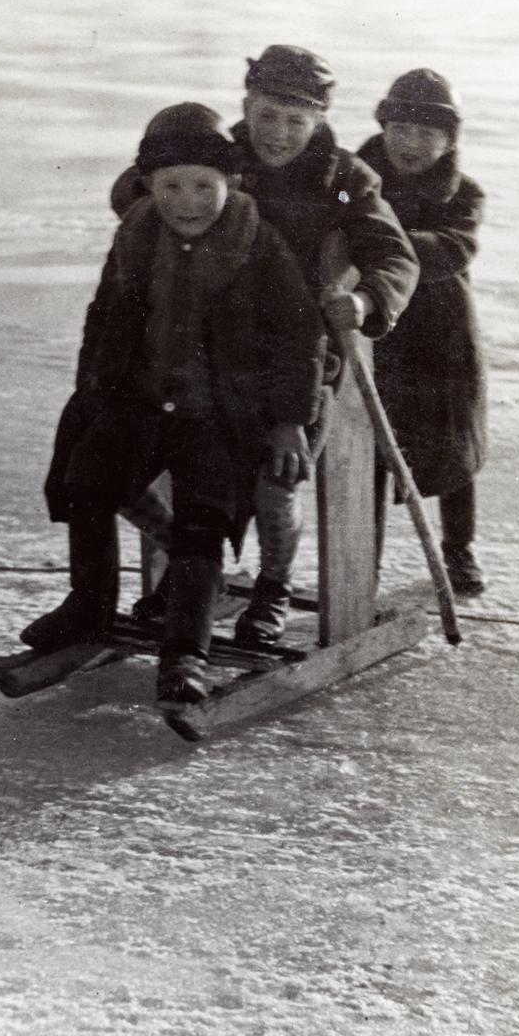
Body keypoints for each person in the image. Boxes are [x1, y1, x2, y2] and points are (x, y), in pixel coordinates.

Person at [112, 46, 420, 645]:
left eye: (296, 121)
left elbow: (394, 255)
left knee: (275, 482)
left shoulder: (345, 179)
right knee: (136, 466)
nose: (278, 134)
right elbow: (134, 191)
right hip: (200, 351)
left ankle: (272, 588)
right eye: (267, 115)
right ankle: (196, 568)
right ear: (246, 105)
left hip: (297, 360)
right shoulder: (218, 155)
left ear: (320, 119)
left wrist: (362, 301)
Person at [25, 103, 326, 705]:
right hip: (141, 404)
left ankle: (186, 652)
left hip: (223, 414)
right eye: (171, 186)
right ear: (148, 186)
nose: (187, 201)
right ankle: (88, 606)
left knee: (201, 525)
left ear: (231, 183)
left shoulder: (258, 243)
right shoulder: (136, 235)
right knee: (88, 484)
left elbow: (301, 335)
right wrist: (93, 394)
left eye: (202, 186)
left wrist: (291, 420)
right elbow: (104, 319)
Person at [358, 70, 487, 596]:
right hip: (377, 330)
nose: (409, 144)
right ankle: (363, 557)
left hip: (442, 336)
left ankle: (459, 548)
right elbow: (333, 217)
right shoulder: (352, 182)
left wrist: (384, 242)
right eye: (400, 130)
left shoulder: (464, 194)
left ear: (449, 140)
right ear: (384, 128)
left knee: (454, 451)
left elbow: (455, 248)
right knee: (372, 449)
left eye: (425, 134)